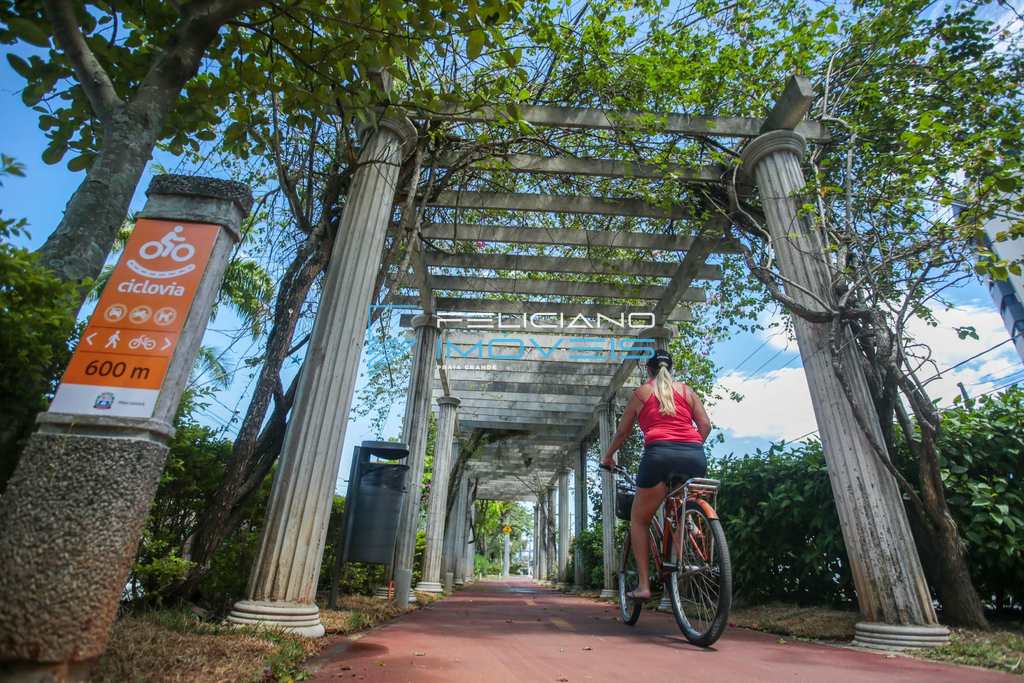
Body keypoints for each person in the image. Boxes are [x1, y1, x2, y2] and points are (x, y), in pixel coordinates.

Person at [599, 349, 712, 600]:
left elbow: (623, 432)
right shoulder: (687, 391)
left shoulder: (642, 393)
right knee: (679, 504)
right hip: (694, 455)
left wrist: (608, 456)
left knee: (639, 520)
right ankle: (688, 533)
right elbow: (705, 425)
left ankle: (643, 586)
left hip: (659, 456)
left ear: (648, 370)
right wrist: (691, 447)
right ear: (670, 369)